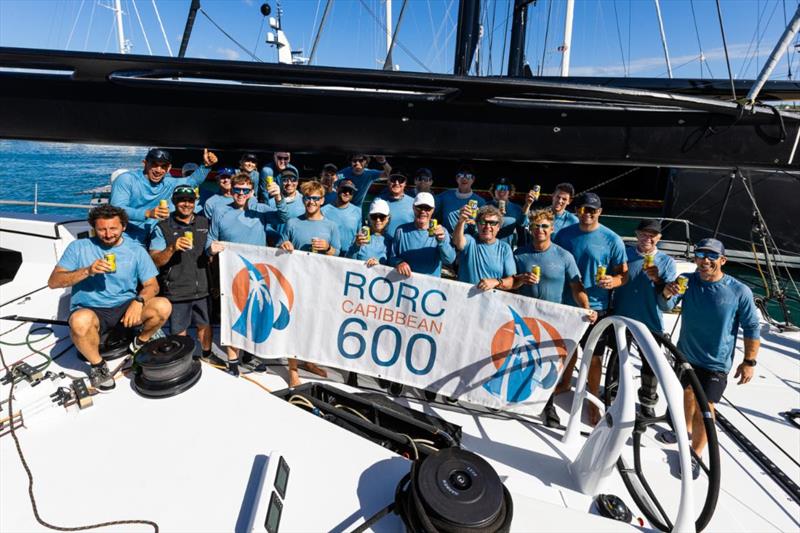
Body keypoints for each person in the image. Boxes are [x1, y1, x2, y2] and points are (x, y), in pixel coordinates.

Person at [659, 238, 760, 478]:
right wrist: (666, 291)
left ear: (722, 260)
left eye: (712, 256)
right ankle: (683, 431)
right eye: (701, 255)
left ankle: (695, 453)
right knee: (686, 394)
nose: (705, 260)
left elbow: (752, 327)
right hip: (685, 354)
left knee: (706, 407)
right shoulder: (688, 281)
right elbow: (666, 304)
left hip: (715, 363)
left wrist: (749, 362)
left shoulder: (739, 291)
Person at [47, 205, 171, 392]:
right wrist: (87, 271)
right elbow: (54, 282)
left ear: (123, 227)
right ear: (93, 228)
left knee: (163, 305)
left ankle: (141, 341)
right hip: (91, 308)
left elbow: (152, 286)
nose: (108, 234)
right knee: (80, 321)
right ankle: (98, 366)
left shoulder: (136, 250)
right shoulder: (79, 247)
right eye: (102, 229)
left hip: (125, 306)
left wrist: (139, 301)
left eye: (113, 228)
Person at [512, 208, 596, 427]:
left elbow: (576, 287)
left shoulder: (563, 256)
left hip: (552, 319)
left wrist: (586, 308)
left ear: (552, 228)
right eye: (536, 226)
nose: (540, 230)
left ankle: (547, 406)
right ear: (530, 228)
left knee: (549, 363)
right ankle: (513, 399)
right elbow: (510, 284)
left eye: (544, 226)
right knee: (520, 360)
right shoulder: (519, 253)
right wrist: (521, 280)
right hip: (524, 316)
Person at [554, 192, 628, 425]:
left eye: (593, 210)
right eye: (584, 209)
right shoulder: (564, 234)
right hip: (566, 303)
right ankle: (565, 383)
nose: (588, 214)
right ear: (577, 211)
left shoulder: (612, 239)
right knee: (568, 349)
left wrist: (613, 282)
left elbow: (623, 274)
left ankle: (593, 399)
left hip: (597, 307)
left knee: (594, 357)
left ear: (600, 212)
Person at [207, 173, 288, 375]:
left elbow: (283, 218)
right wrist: (211, 248)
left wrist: (279, 198)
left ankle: (250, 356)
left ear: (252, 192)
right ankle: (233, 361)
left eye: (245, 190)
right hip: (230, 273)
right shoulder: (220, 211)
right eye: (237, 190)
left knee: (255, 313)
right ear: (231, 190)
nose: (241, 194)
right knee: (230, 314)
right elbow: (210, 239)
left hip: (257, 273)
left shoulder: (260, 209)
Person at [613, 219, 677, 418]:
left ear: (659, 238)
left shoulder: (667, 262)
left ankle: (647, 401)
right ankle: (614, 392)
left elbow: (665, 302)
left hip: (650, 320)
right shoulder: (624, 253)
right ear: (636, 234)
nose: (647, 238)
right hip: (621, 315)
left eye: (653, 234)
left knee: (650, 363)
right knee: (617, 357)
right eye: (644, 233)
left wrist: (658, 279)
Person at [279, 181, 340, 386]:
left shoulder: (331, 226)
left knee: (315, 324)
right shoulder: (292, 223)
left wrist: (328, 247)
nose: (311, 202)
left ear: (322, 200)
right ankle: (293, 370)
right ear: (303, 199)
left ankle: (309, 361)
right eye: (307, 198)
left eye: (315, 198)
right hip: (296, 281)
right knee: (295, 325)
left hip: (320, 282)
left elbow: (337, 253)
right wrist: (284, 244)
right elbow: (281, 245)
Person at [149, 185, 213, 359]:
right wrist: (172, 248)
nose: (186, 204)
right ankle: (183, 358)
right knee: (179, 329)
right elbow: (155, 260)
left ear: (195, 202)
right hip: (177, 289)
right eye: (181, 200)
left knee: (205, 325)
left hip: (203, 287)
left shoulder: (204, 223)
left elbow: (211, 247)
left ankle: (207, 355)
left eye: (190, 200)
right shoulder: (162, 227)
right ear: (174, 202)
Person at [110, 148, 217, 246]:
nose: (158, 170)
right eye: (154, 164)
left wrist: (206, 166)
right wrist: (147, 213)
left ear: (169, 168)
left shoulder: (168, 183)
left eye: (163, 166)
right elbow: (116, 209)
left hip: (154, 238)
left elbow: (192, 181)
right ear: (145, 163)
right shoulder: (127, 179)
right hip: (127, 238)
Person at [391, 192, 456, 277]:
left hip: (428, 286)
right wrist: (399, 262)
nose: (423, 211)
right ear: (413, 207)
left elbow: (449, 260)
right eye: (419, 207)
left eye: (427, 208)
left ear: (433, 210)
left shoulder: (442, 232)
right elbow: (392, 257)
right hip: (404, 283)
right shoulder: (401, 231)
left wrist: (442, 242)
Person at [452, 205, 516, 289]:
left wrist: (495, 282)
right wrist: (461, 221)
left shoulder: (505, 248)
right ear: (477, 225)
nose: (487, 226)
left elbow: (512, 281)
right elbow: (457, 241)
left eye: (492, 223)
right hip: (465, 299)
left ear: (498, 227)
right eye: (483, 222)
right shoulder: (470, 240)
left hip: (490, 299)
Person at [435, 166, 485, 233]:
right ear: (456, 178)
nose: (464, 178)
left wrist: (476, 224)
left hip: (468, 240)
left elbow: (485, 226)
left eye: (468, 176)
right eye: (460, 175)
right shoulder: (444, 196)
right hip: (446, 240)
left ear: (473, 179)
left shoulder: (481, 202)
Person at [321, 178, 362, 256]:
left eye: (350, 191)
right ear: (337, 189)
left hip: (350, 256)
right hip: (330, 255)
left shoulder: (358, 211)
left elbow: (359, 234)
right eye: (344, 189)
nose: (347, 193)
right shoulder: (324, 210)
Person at [347, 198, 393, 266]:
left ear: (387, 218)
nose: (378, 220)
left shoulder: (391, 241)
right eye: (374, 216)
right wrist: (356, 246)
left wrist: (379, 265)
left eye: (382, 216)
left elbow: (392, 266)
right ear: (369, 217)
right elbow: (348, 261)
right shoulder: (360, 237)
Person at [489, 177, 527, 249]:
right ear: (494, 191)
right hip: (486, 249)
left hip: (507, 251)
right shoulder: (485, 207)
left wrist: (519, 253)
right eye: (499, 187)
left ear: (509, 191)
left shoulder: (517, 209)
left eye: (505, 188)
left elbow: (521, 235)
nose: (502, 190)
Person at [378, 172, 415, 236]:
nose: (397, 183)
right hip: (384, 245)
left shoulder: (414, 203)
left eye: (401, 180)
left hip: (405, 245)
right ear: (388, 181)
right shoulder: (378, 201)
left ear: (405, 183)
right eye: (393, 179)